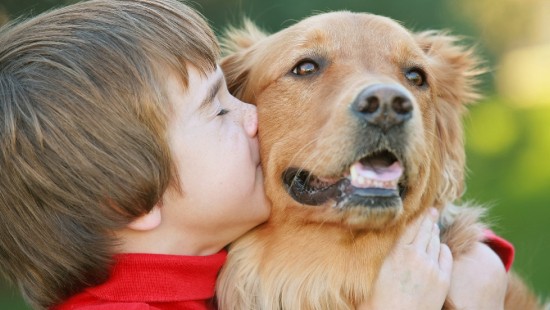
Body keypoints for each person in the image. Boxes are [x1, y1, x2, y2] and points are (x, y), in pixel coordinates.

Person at [0, 0, 511, 309]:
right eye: (219, 109)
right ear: (129, 197)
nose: (251, 117)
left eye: (413, 80)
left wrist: (477, 256)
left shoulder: (201, 268)